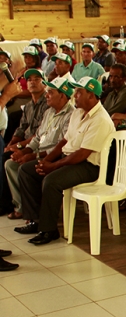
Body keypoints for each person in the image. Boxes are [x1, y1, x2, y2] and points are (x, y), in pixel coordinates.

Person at [15, 77, 115, 244]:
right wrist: (46, 160)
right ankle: (36, 220)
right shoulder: (78, 112)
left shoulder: (101, 120)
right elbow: (64, 141)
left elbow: (82, 154)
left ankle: (49, 230)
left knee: (51, 180)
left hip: (88, 167)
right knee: (26, 170)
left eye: (79, 92)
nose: (74, 95)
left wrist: (53, 166)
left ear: (91, 95)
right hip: (69, 159)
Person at [5, 77, 74, 221]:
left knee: (26, 169)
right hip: (39, 152)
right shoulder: (49, 112)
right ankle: (22, 207)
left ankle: (35, 215)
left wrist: (33, 156)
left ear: (62, 95)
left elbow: (61, 146)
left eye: (51, 92)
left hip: (53, 156)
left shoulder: (71, 115)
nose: (47, 95)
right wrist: (24, 151)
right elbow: (37, 137)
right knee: (10, 164)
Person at [1, 69, 49, 215]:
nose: (32, 82)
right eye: (29, 80)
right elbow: (21, 129)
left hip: (39, 146)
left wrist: (20, 146)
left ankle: (16, 206)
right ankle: (17, 204)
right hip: (26, 144)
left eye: (37, 79)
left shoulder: (48, 103)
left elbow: (40, 133)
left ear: (45, 83)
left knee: (8, 160)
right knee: (7, 156)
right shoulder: (28, 106)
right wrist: (12, 144)